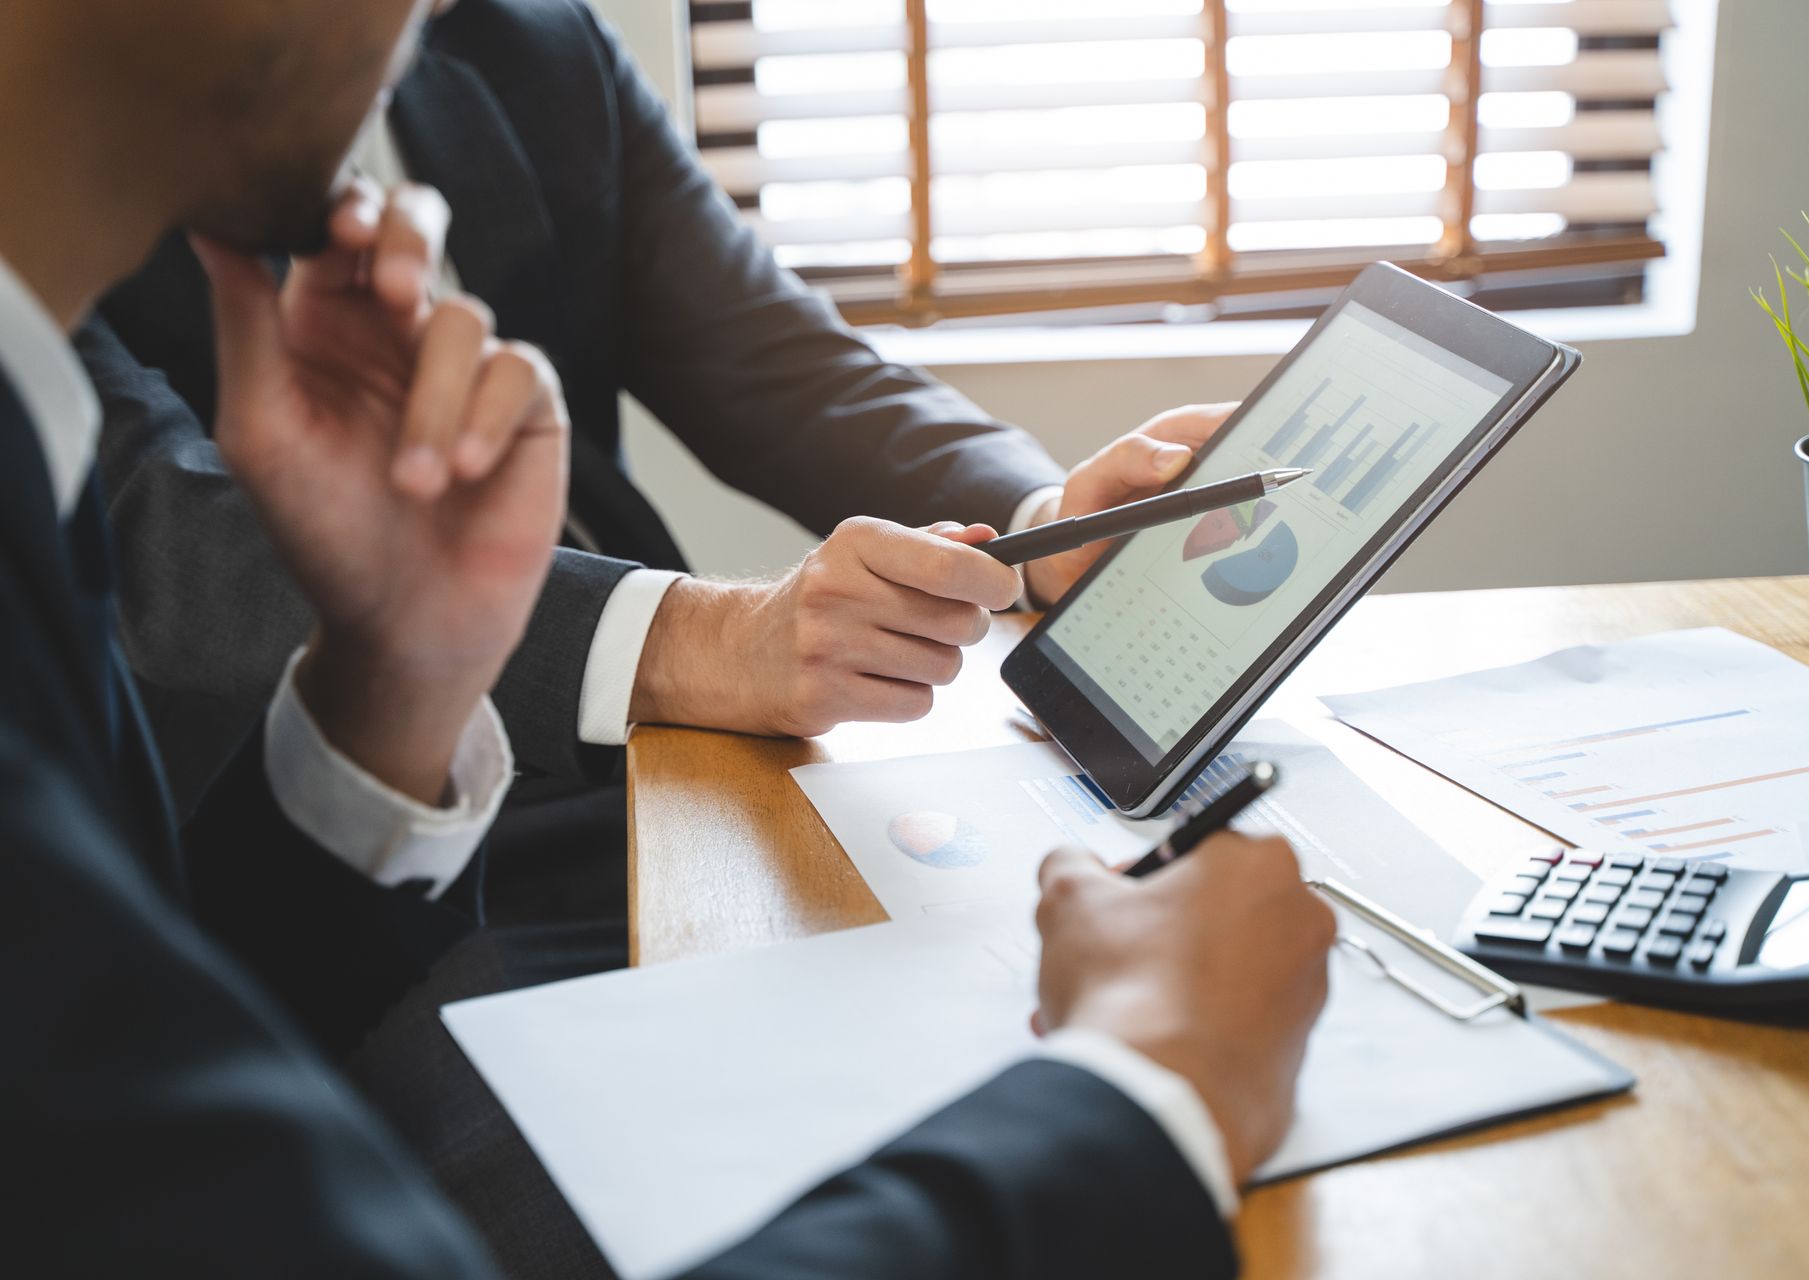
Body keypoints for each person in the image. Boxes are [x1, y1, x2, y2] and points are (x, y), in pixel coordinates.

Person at [2, 1, 1339, 1276]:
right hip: (507, 872)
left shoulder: (523, 49)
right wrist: (1146, 1084)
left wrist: (398, 675)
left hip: (445, 813)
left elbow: (172, 1002)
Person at [82, 0, 1235, 848]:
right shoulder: (67, 132)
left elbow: (784, 364)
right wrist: (701, 643)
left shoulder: (530, 45)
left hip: (701, 777)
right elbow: (154, 536)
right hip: (309, 854)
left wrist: (1040, 520)